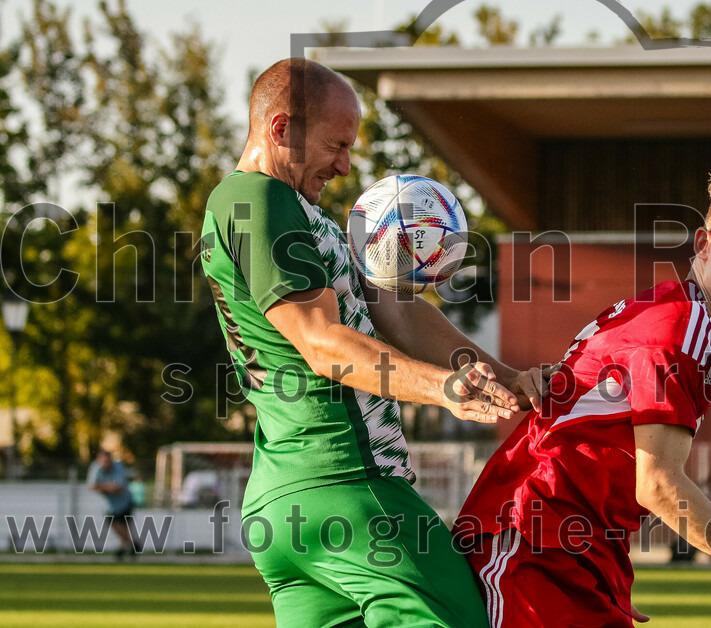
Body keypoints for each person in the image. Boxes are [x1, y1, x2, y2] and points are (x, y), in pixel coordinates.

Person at [200, 58, 548, 628]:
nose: (345, 165)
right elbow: (322, 343)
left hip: (286, 504)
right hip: (346, 485)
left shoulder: (291, 211)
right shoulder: (258, 199)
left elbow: (402, 314)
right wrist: (442, 388)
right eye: (336, 145)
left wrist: (505, 377)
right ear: (280, 129)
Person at [455, 154, 711, 628]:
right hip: (530, 543)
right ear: (705, 245)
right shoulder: (680, 328)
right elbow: (659, 485)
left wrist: (606, 577)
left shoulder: (673, 314)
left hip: (573, 551)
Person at [87, 449, 138, 558]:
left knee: (123, 527)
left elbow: (119, 488)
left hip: (125, 502)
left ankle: (123, 550)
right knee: (115, 525)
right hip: (111, 505)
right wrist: (109, 487)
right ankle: (132, 545)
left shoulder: (118, 467)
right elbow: (92, 486)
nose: (107, 464)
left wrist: (102, 487)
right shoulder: (96, 468)